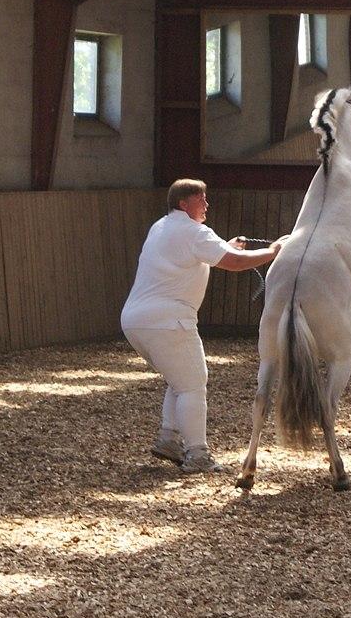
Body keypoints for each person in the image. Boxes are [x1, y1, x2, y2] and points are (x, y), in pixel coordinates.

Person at [121, 178, 286, 473]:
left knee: (178, 379)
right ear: (184, 204)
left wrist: (225, 246)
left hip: (136, 321)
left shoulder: (161, 226)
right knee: (193, 384)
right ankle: (197, 453)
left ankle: (169, 439)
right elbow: (233, 262)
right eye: (201, 199)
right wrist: (272, 252)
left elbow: (207, 252)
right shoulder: (194, 231)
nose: (207, 205)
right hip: (168, 321)